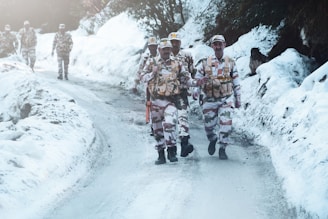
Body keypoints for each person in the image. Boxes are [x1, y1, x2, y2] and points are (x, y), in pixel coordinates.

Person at [141, 38, 206, 165]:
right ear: (159, 50)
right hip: (155, 101)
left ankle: (172, 150)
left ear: (170, 50)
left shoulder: (177, 64)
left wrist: (196, 82)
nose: (166, 51)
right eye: (164, 49)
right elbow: (142, 77)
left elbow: (186, 78)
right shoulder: (151, 62)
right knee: (158, 130)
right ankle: (161, 154)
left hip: (170, 101)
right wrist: (151, 74)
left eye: (168, 49)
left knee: (170, 124)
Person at [193, 35, 241, 160]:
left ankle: (222, 148)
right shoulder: (204, 63)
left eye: (220, 44)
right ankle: (213, 139)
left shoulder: (230, 62)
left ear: (224, 45)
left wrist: (238, 98)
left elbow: (236, 81)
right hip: (209, 99)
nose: (218, 46)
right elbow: (198, 80)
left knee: (226, 123)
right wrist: (195, 91)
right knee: (209, 126)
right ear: (212, 46)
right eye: (215, 44)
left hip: (226, 98)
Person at [168, 32, 195, 157]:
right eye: (172, 42)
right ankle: (170, 149)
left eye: (176, 42)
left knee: (183, 117)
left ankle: (184, 143)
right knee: (170, 120)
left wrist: (193, 86)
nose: (174, 45)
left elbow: (191, 72)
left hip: (182, 92)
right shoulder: (162, 57)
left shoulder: (187, 56)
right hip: (167, 94)